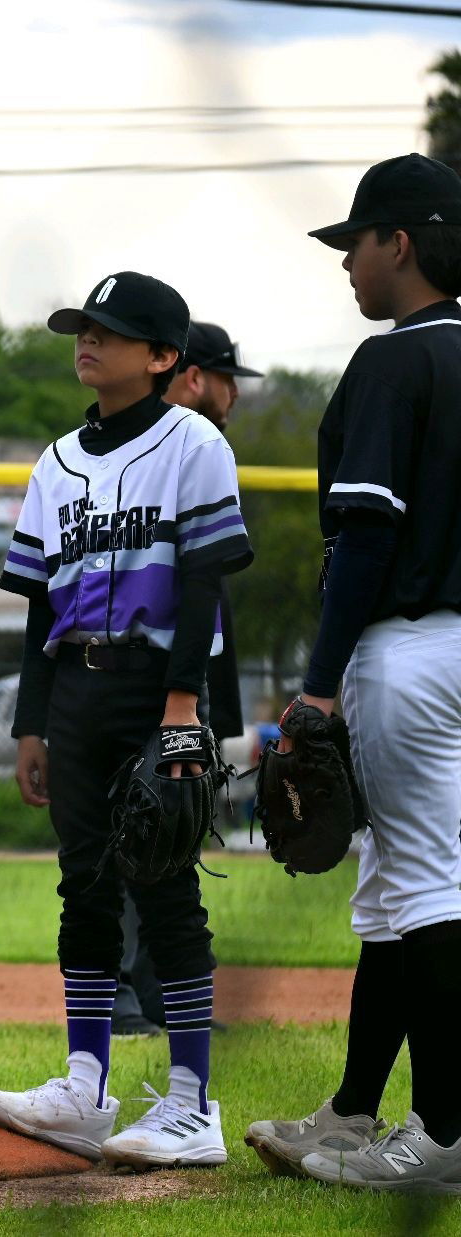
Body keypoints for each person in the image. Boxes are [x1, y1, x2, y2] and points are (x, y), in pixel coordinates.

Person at [0, 271, 252, 1169]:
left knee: (166, 883)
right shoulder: (56, 461)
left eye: (108, 330)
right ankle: (84, 1086)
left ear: (164, 355)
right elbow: (38, 606)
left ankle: (193, 1101)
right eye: (82, 327)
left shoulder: (194, 443)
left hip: (155, 684)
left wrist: (182, 705)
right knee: (85, 884)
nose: (87, 340)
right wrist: (31, 723)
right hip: (76, 688)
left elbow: (204, 583)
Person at [244, 153, 461, 1193]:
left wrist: (317, 686)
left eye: (357, 242)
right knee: (392, 887)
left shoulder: (392, 361)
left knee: (423, 883)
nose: (347, 263)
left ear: (400, 244)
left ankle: (444, 1132)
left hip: (406, 649)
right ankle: (352, 1109)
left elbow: (366, 538)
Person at [112, 321, 262, 1039]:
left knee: (173, 826)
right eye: (229, 379)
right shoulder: (141, 451)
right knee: (132, 821)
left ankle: (160, 993)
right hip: (140, 670)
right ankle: (119, 992)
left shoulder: (199, 452)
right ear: (196, 377)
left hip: (192, 668)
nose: (235, 395)